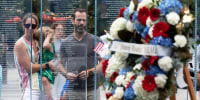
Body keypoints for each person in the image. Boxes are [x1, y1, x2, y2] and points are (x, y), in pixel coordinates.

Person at [59, 8, 104, 100]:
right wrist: (66, 74)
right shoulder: (65, 43)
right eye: (79, 20)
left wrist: (90, 72)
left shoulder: (97, 41)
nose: (82, 23)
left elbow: (104, 62)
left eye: (84, 20)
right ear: (72, 21)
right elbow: (60, 64)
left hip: (92, 90)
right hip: (74, 90)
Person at [14, 13, 55, 100]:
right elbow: (29, 68)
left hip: (44, 86)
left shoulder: (37, 41)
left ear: (36, 27)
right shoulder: (20, 44)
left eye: (33, 26)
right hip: (30, 88)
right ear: (23, 25)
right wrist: (48, 65)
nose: (29, 28)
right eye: (27, 25)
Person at [33, 26, 55, 100]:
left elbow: (45, 45)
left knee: (44, 80)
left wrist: (48, 36)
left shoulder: (50, 45)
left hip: (47, 69)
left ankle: (50, 98)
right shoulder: (40, 47)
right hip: (42, 68)